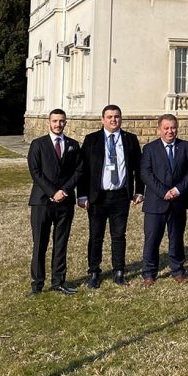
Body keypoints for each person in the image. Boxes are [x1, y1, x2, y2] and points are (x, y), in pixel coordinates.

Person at [77, 104, 143, 288]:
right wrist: (81, 195)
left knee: (119, 235)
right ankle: (94, 272)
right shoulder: (91, 140)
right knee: (96, 236)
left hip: (121, 196)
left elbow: (139, 168)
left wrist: (139, 191)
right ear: (102, 119)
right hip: (97, 197)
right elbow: (83, 170)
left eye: (117, 116)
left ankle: (119, 271)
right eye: (110, 117)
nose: (114, 120)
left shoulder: (130, 139)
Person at [27, 109, 83, 296]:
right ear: (49, 122)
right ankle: (37, 284)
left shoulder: (73, 145)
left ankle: (58, 281)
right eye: (55, 121)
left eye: (61, 121)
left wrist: (64, 191)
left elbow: (79, 171)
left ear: (66, 122)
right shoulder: (38, 144)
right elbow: (35, 171)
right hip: (42, 202)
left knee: (61, 243)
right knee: (40, 243)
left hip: (65, 202)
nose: (58, 124)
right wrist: (52, 192)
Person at [139, 114, 188, 285]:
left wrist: (178, 189)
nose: (170, 131)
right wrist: (164, 192)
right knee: (152, 239)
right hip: (156, 202)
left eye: (173, 128)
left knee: (176, 238)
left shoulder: (185, 147)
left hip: (178, 201)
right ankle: (149, 273)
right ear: (159, 130)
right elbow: (146, 173)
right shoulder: (149, 148)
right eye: (166, 128)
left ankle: (177, 270)